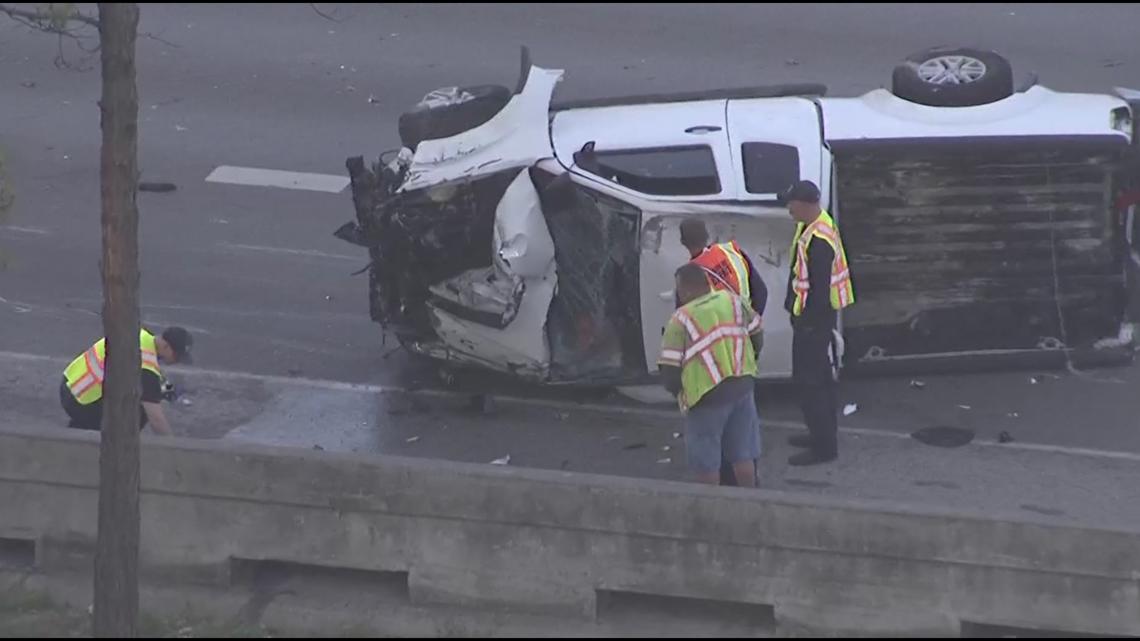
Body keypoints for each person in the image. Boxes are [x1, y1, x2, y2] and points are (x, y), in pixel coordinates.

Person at [678, 218, 769, 485]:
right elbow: (760, 293)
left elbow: (683, 326)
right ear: (708, 234)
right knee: (743, 426)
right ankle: (750, 483)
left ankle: (723, 488)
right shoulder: (732, 253)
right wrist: (746, 330)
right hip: (742, 349)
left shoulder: (689, 276)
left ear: (683, 241)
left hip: (711, 366)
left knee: (713, 430)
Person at [658, 263, 764, 486]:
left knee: (706, 462)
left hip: (706, 397)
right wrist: (747, 360)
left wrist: (678, 390)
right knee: (743, 455)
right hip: (742, 386)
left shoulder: (680, 320)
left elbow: (669, 370)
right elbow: (757, 332)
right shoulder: (733, 301)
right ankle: (752, 502)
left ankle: (713, 510)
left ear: (684, 290)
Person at [778, 180, 855, 466]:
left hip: (813, 322)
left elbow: (819, 289)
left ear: (806, 203)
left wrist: (807, 322)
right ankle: (820, 434)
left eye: (792, 203)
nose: (788, 209)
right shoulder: (814, 226)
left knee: (811, 383)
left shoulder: (819, 240)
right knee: (817, 379)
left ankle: (824, 447)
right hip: (813, 320)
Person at [60, 326, 194, 436]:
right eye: (177, 356)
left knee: (141, 391)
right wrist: (173, 448)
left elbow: (155, 376)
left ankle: (81, 426)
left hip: (70, 383)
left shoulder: (139, 334)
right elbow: (156, 419)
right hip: (80, 402)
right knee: (139, 410)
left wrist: (171, 393)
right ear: (165, 346)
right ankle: (114, 442)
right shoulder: (144, 366)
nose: (177, 361)